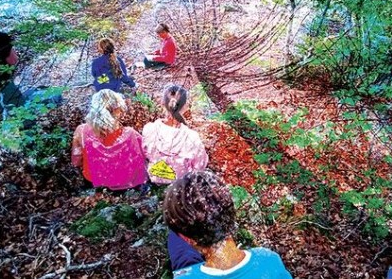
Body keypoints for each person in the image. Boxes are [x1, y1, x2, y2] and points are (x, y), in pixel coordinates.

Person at [163, 170, 293, 278]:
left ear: (188, 239)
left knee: (179, 249)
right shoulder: (268, 259)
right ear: (231, 215)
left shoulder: (184, 276)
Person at [71, 89, 148, 190]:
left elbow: (76, 161)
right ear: (117, 110)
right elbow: (147, 153)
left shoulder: (81, 131)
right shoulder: (130, 134)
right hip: (126, 182)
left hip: (93, 181)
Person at [142, 84, 208, 185]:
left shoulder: (149, 129)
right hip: (180, 182)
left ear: (162, 103)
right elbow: (200, 165)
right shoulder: (191, 137)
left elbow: (145, 153)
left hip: (155, 175)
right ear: (185, 107)